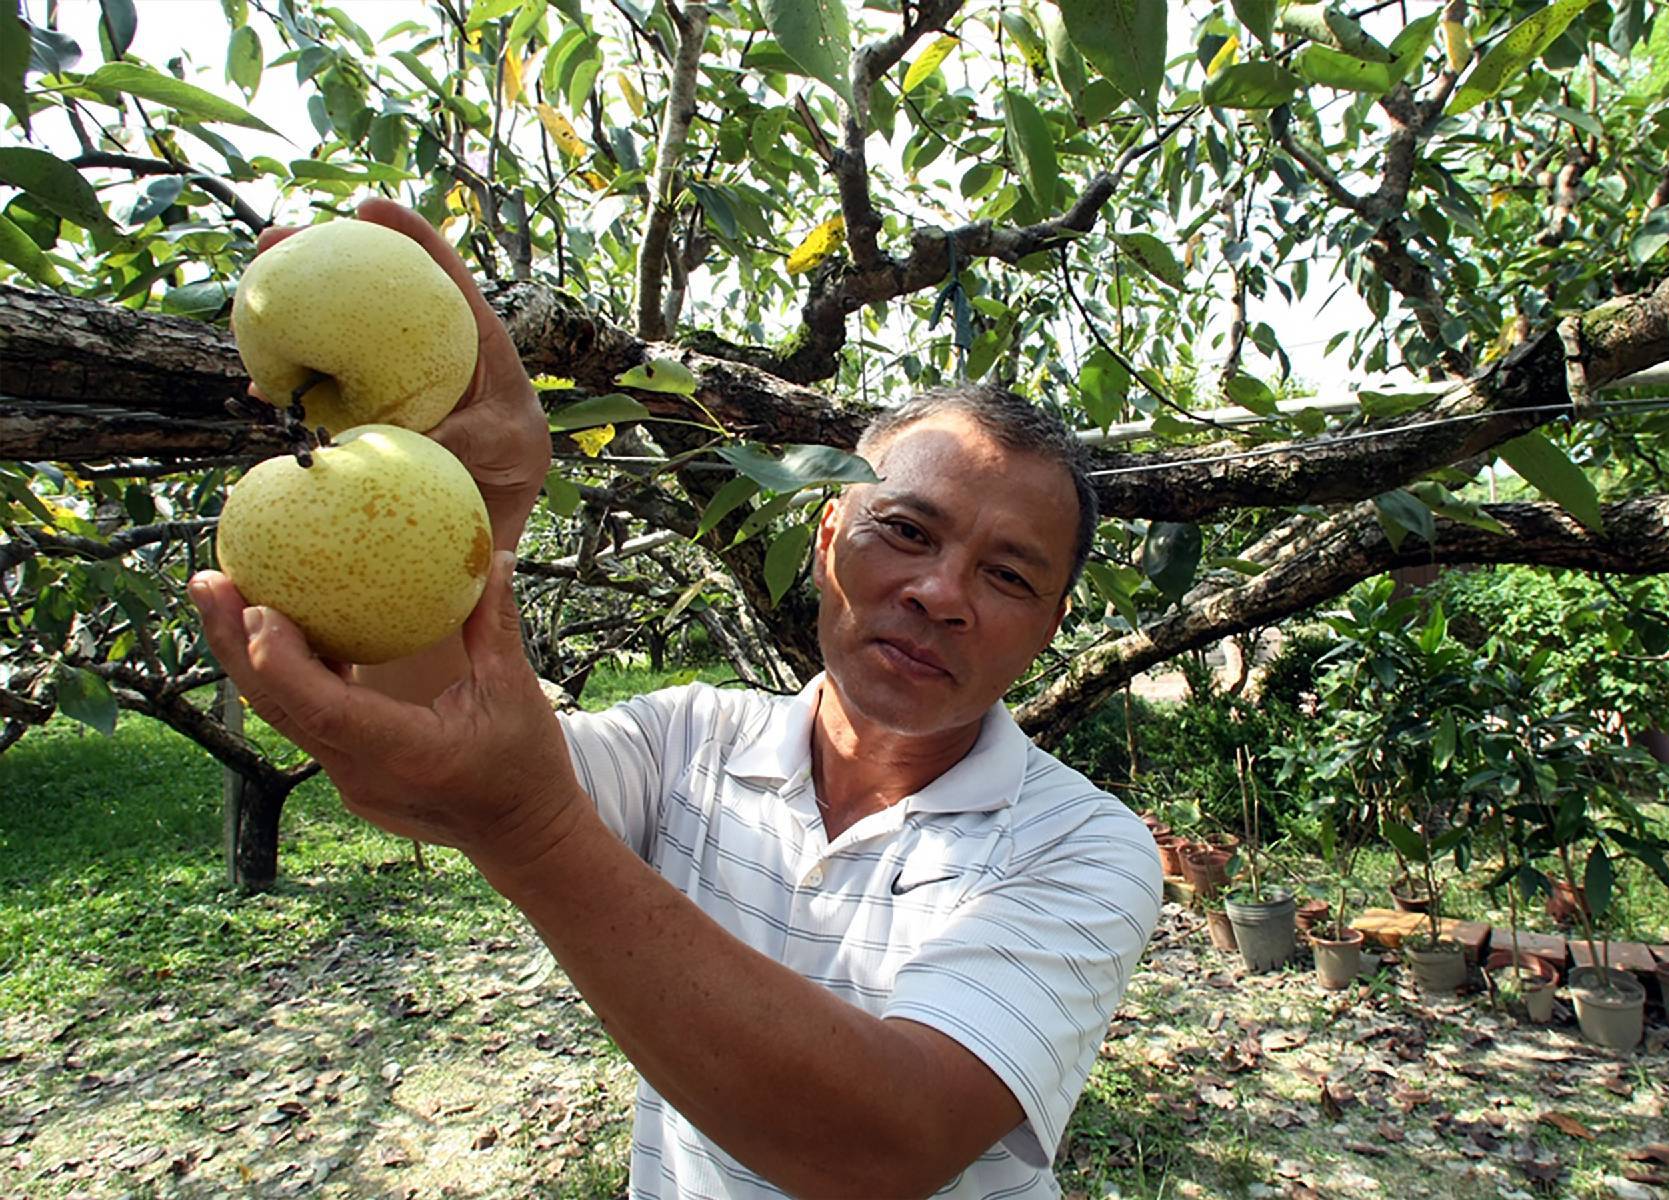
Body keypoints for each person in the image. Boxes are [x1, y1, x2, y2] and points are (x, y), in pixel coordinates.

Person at [188, 199, 1161, 1198]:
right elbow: (431, 762)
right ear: (826, 539)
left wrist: (531, 828)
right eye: (907, 531)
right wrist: (474, 510)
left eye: (1008, 577)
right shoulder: (691, 739)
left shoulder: (1083, 846)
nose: (941, 594)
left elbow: (882, 1147)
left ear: (1050, 628)